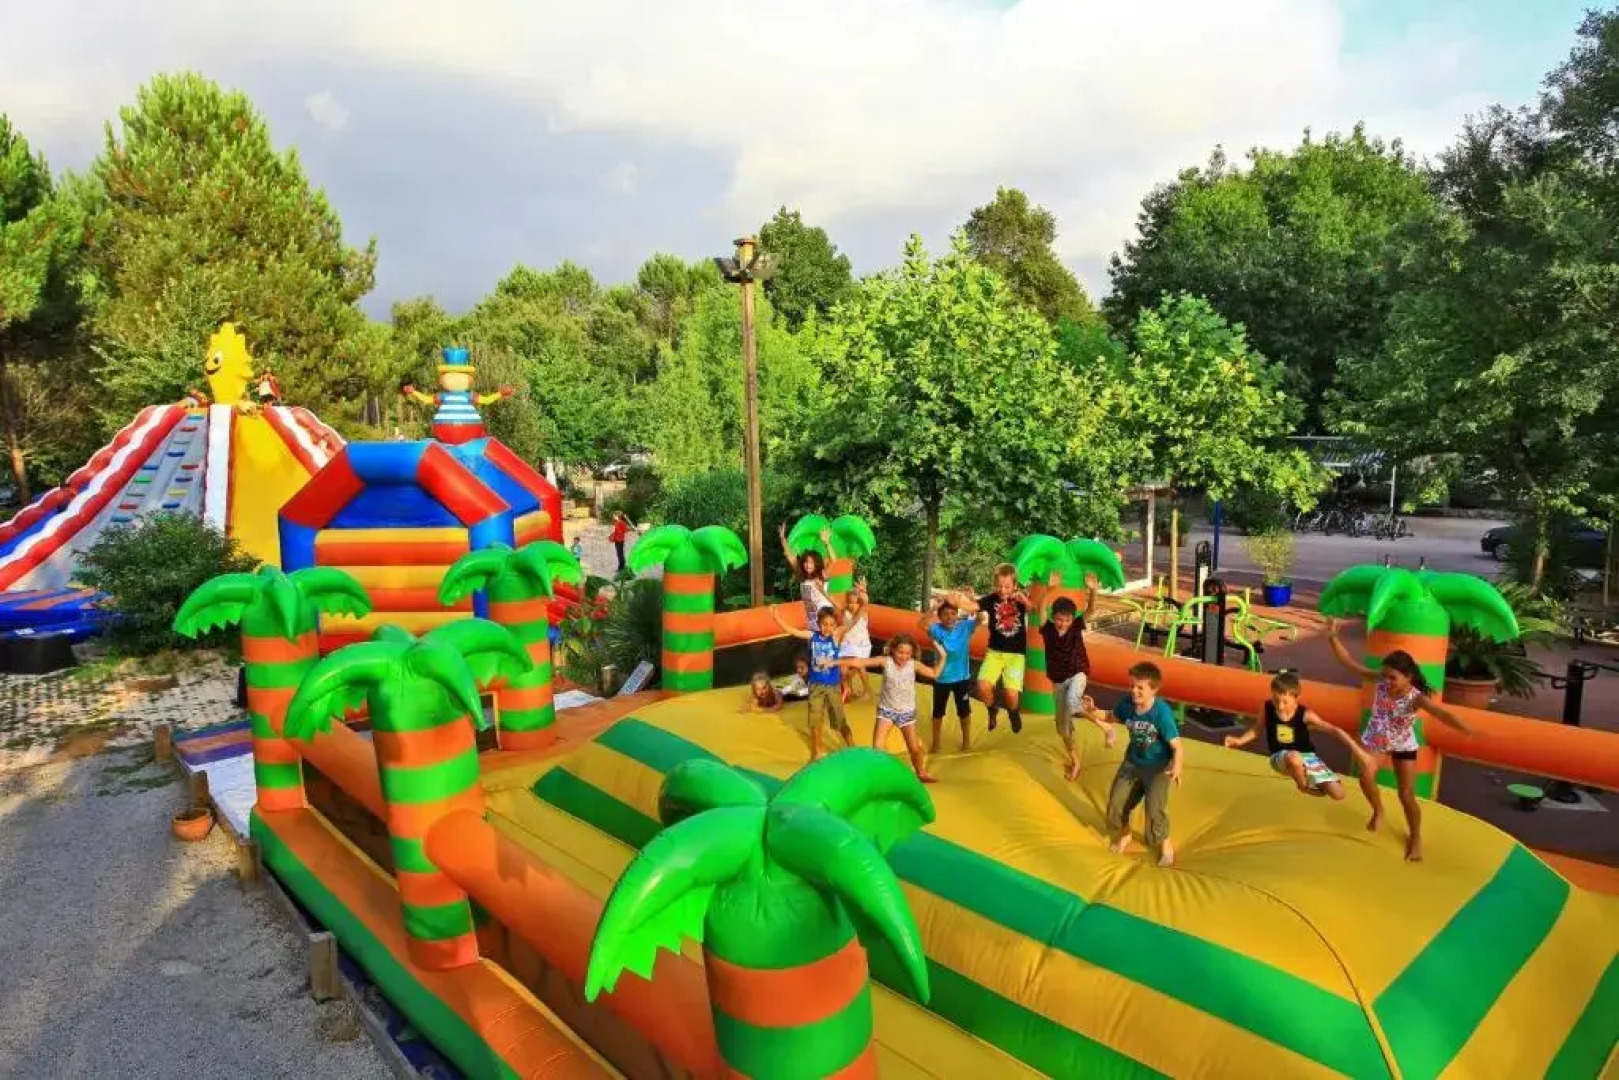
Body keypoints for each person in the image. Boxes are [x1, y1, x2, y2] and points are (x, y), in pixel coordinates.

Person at [1327, 619, 1478, 861]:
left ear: (1408, 677)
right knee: (1365, 775)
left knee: (1406, 793)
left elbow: (1442, 713)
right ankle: (1378, 810)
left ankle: (1415, 835)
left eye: (1393, 678)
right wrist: (1332, 636)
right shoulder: (1381, 681)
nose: (1387, 682)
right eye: (1385, 676)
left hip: (1402, 744)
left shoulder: (1415, 698)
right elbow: (1351, 664)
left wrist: (1466, 729)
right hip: (1376, 739)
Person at [1080, 661, 1182, 867]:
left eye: (1140, 688)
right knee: (1116, 805)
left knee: (1154, 809)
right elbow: (1110, 716)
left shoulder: (1161, 712)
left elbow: (1177, 746)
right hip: (1133, 762)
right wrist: (1093, 710)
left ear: (1154, 690)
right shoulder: (1127, 704)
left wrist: (1176, 767)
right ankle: (1125, 834)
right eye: (1132, 686)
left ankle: (1164, 843)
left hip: (1158, 767)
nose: (1134, 691)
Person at [1224, 670, 1374, 802]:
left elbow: (1335, 730)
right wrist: (1239, 741)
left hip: (1307, 757)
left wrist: (1360, 753)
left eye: (1285, 702)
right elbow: (1256, 730)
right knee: (1294, 757)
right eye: (1276, 701)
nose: (1280, 706)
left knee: (1338, 794)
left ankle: (1307, 776)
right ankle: (1303, 786)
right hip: (1280, 757)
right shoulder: (1267, 708)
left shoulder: (1305, 715)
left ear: (1297, 698)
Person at [838, 634, 942, 783]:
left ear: (912, 653)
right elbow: (859, 661)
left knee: (914, 748)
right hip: (886, 711)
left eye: (907, 653)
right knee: (877, 747)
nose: (904, 656)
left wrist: (943, 656)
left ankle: (921, 772)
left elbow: (934, 673)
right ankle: (879, 775)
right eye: (900, 652)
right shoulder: (885, 661)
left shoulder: (913, 664)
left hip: (906, 713)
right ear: (893, 650)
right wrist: (835, 661)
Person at [771, 604, 863, 760]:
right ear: (819, 624)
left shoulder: (836, 636)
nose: (828, 628)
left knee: (839, 720)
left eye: (832, 624)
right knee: (815, 721)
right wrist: (777, 618)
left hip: (832, 686)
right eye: (824, 624)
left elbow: (853, 621)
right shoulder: (812, 636)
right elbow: (793, 631)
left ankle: (852, 747)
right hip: (815, 686)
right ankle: (817, 752)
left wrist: (863, 603)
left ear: (836, 625)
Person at [954, 564, 1038, 734]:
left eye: (1007, 586)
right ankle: (992, 709)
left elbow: (1033, 609)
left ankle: (1013, 713)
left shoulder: (1020, 600)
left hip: (1015, 655)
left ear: (1015, 586)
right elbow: (973, 607)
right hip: (994, 652)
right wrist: (958, 600)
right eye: (999, 585)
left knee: (1011, 695)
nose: (1002, 589)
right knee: (982, 687)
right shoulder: (991, 599)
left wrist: (1026, 601)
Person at [1039, 582, 1103, 781]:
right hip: (1059, 682)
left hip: (1078, 673)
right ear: (1053, 617)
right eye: (1059, 619)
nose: (1063, 624)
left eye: (1067, 620)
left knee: (1073, 701)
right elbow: (1040, 610)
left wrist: (1093, 591)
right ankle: (1075, 761)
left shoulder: (1076, 626)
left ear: (1071, 619)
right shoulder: (1047, 629)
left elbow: (1091, 611)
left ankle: (1105, 726)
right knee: (1063, 729)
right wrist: (1048, 591)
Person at [920, 595, 977, 752]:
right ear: (939, 617)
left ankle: (966, 741)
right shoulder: (937, 629)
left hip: (961, 678)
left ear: (957, 615)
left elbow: (982, 616)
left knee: (964, 712)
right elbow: (921, 623)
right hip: (942, 678)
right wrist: (933, 608)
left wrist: (968, 602)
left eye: (953, 614)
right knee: (938, 712)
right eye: (945, 614)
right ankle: (936, 742)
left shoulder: (965, 627)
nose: (949, 618)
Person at [780, 522, 838, 630]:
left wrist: (826, 543)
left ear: (816, 564)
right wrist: (782, 539)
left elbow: (833, 560)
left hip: (825, 615)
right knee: (813, 643)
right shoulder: (802, 576)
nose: (808, 565)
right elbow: (790, 556)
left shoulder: (822, 575)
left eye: (811, 563)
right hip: (812, 618)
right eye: (806, 562)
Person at [839, 579, 873, 700]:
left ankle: (867, 690)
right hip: (847, 644)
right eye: (849, 602)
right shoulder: (844, 612)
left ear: (859, 603)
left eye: (854, 603)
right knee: (843, 668)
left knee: (858, 664)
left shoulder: (863, 611)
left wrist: (863, 590)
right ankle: (848, 690)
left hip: (861, 645)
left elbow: (865, 601)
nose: (851, 605)